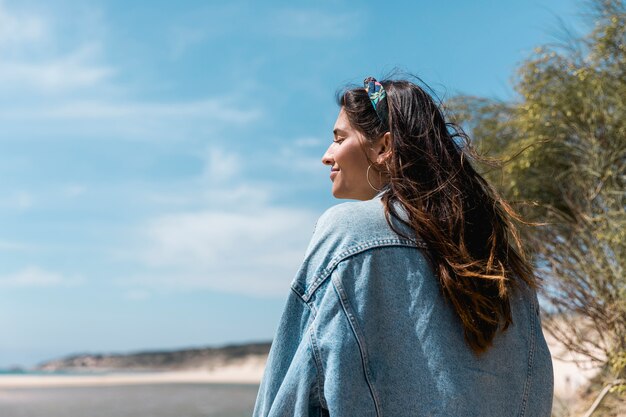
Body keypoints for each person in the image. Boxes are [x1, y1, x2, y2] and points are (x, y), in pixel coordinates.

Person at [252, 76, 554, 416]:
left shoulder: (348, 233)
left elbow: (290, 390)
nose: (327, 156)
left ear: (384, 147)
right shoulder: (499, 257)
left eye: (339, 139)